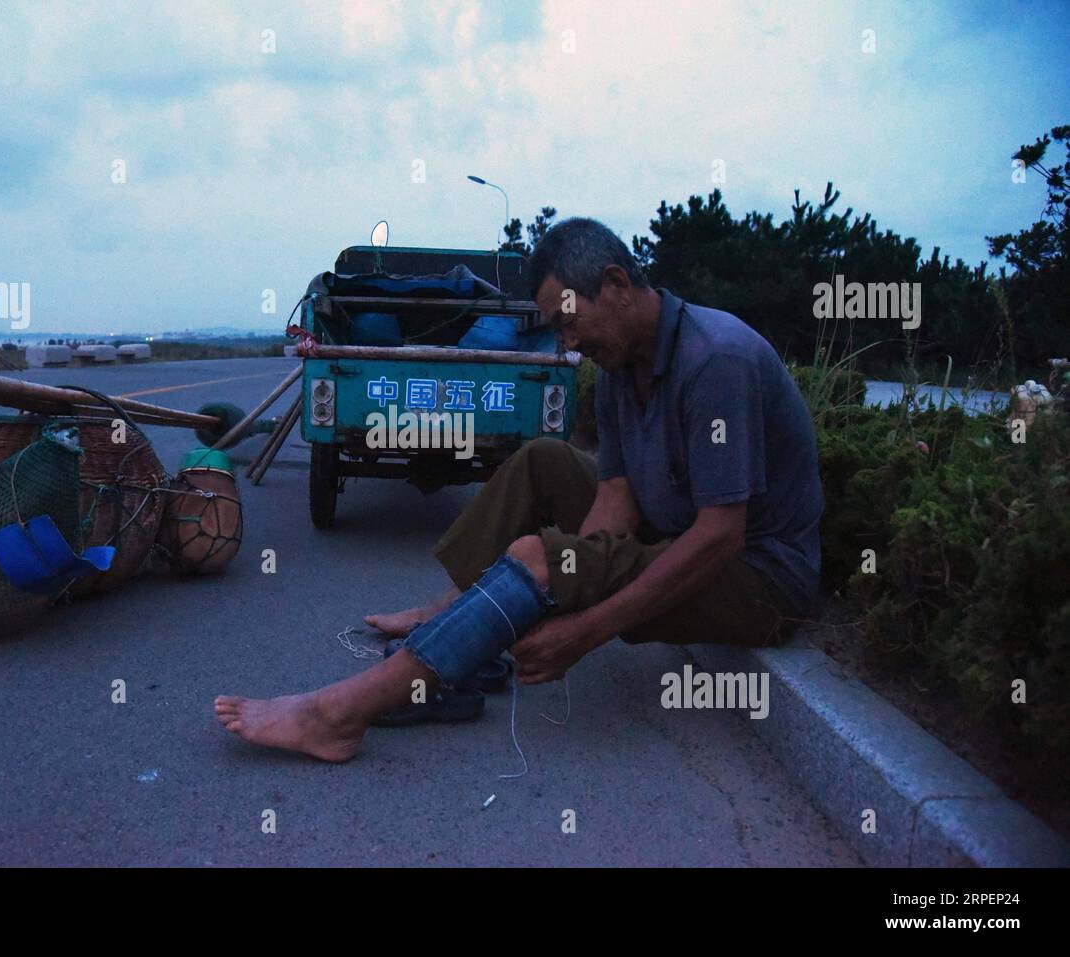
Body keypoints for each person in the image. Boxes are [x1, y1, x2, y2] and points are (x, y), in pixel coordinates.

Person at [215, 217, 823, 762]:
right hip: (678, 532)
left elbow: (721, 536)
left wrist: (584, 626)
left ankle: (336, 716)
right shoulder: (616, 369)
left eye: (567, 322)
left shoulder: (717, 361)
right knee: (543, 460)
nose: (568, 343)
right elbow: (615, 493)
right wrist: (570, 576)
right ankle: (451, 614)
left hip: (755, 575)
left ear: (614, 284)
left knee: (536, 559)